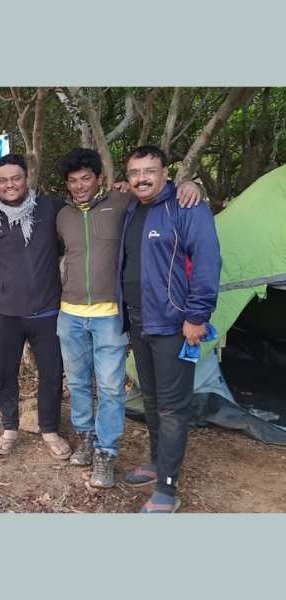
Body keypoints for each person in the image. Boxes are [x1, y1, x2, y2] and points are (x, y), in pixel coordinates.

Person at [55, 148, 201, 488]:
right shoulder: (62, 216)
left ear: (100, 179)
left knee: (109, 387)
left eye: (86, 179)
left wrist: (192, 184)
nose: (80, 186)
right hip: (70, 313)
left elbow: (158, 195)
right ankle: (86, 436)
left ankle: (106, 452)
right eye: (73, 181)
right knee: (77, 382)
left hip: (110, 314)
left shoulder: (123, 203)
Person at [118, 145, 220, 513]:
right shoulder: (133, 208)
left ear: (165, 174)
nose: (142, 178)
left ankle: (167, 489)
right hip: (138, 319)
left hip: (174, 324)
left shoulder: (187, 207)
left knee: (173, 408)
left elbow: (208, 260)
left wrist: (197, 316)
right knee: (151, 399)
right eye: (134, 173)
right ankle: (157, 463)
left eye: (149, 171)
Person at [0, 153, 72, 460]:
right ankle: (9, 428)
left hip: (47, 313)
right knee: (5, 375)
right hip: (6, 315)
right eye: (3, 180)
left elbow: (85, 215)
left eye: (16, 178)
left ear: (27, 179)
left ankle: (50, 429)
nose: (10, 185)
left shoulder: (51, 209)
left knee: (52, 374)